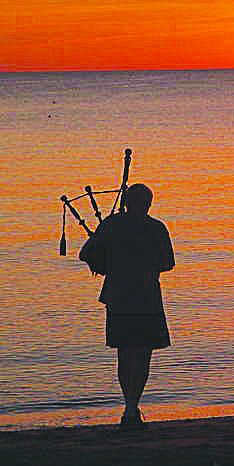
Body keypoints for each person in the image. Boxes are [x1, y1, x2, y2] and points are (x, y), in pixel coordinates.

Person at [80, 183, 175, 429]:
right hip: (147, 298)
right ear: (149, 204)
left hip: (118, 298)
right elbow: (168, 263)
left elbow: (85, 254)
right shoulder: (156, 228)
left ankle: (129, 407)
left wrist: (107, 263)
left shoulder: (111, 225)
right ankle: (132, 407)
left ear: (125, 202)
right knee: (142, 355)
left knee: (124, 354)